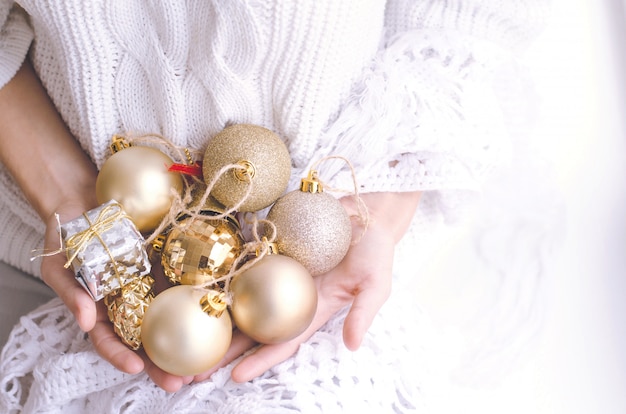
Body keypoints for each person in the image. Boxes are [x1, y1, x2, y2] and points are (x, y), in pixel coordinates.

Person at [0, 1, 549, 412]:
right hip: (65, 265)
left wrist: (374, 212)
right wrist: (64, 195)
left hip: (333, 274)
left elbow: (469, 16)